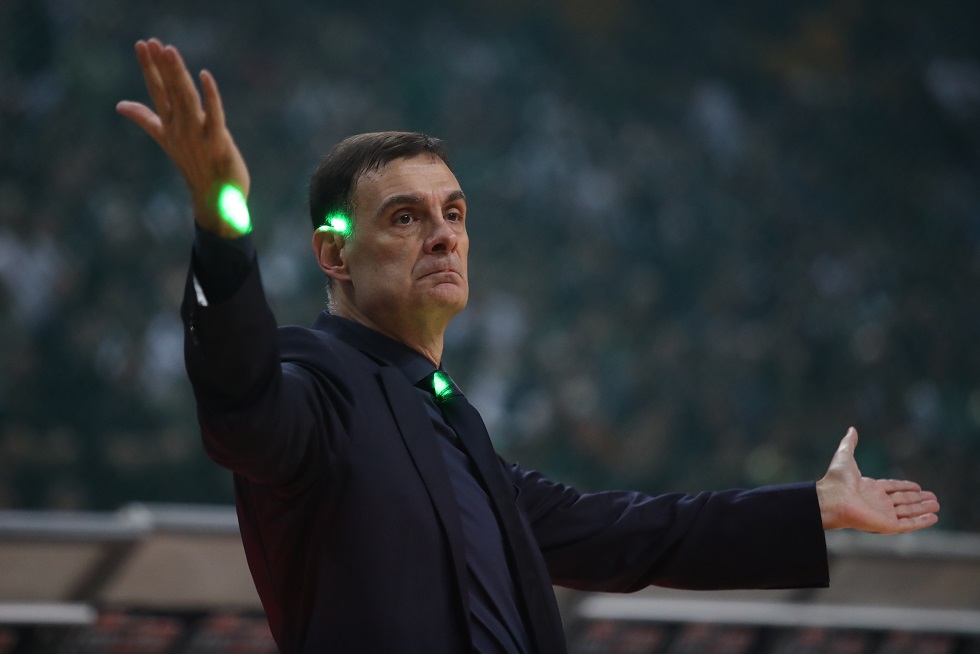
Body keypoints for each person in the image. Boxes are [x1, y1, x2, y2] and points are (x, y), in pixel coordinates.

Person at [117, 39, 940, 654]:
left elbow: (630, 532)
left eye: (454, 212)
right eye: (405, 217)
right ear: (335, 255)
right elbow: (240, 398)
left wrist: (813, 507)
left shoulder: (456, 427)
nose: (443, 234)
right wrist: (222, 221)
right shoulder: (317, 383)